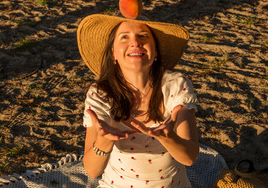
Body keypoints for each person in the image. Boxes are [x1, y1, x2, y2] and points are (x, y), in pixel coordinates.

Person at [77, 14, 199, 188]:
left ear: (155, 51)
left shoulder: (176, 85)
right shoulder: (100, 94)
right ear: (113, 54)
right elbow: (92, 170)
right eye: (124, 37)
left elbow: (190, 157)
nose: (135, 42)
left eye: (143, 36)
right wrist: (104, 141)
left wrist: (168, 138)